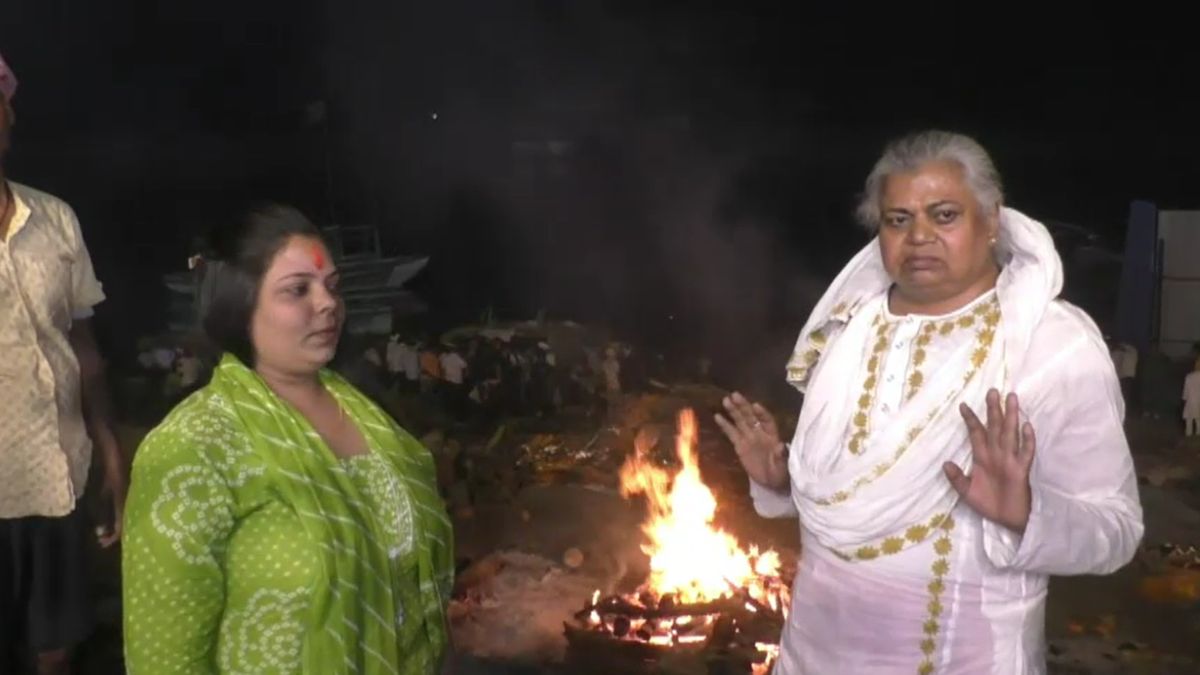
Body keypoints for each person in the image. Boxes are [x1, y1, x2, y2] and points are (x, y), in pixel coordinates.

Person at [716, 131, 1142, 674]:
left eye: (944, 216)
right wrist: (781, 483)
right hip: (810, 658)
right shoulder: (847, 331)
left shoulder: (1054, 346)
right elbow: (856, 496)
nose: (918, 236)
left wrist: (1026, 514)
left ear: (991, 222)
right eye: (898, 219)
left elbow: (1118, 529)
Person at [122, 204, 454, 674]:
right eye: (298, 289)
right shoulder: (192, 448)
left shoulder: (370, 417)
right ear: (239, 306)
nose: (328, 304)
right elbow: (165, 660)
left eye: (332, 287)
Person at [0, 52, 127, 675]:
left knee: (58, 645)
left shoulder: (56, 220)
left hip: (59, 477)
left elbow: (84, 347)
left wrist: (107, 445)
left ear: (7, 115)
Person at [1184, 363, 1200, 439]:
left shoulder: (1189, 376)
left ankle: (1188, 435)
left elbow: (1186, 390)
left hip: (1190, 400)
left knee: (1189, 420)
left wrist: (1184, 398)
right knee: (1198, 420)